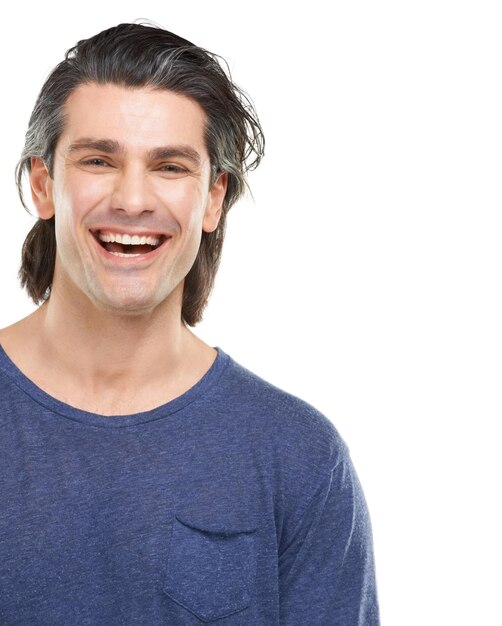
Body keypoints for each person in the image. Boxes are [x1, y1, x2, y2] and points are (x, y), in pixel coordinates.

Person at [0, 22, 379, 625]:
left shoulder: (299, 459)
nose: (131, 199)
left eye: (170, 167)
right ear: (44, 184)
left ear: (212, 199)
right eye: (99, 159)